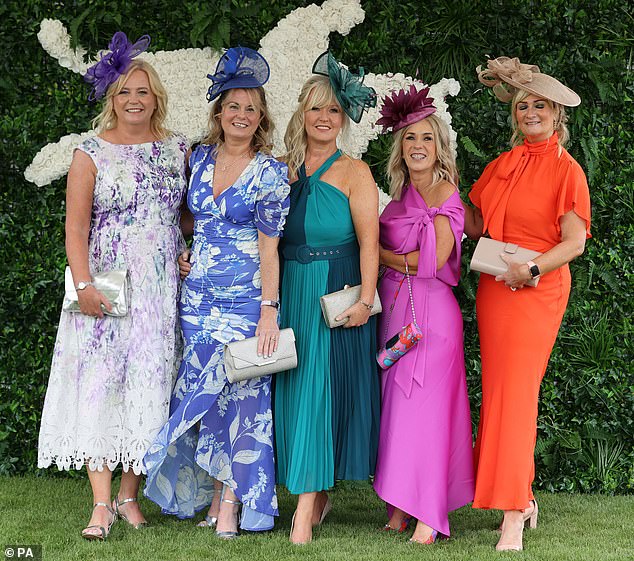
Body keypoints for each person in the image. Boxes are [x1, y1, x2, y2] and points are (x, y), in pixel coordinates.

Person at [37, 32, 188, 540]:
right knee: (102, 387)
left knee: (150, 386)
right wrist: (82, 285)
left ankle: (129, 495)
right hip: (106, 285)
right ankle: (100, 504)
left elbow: (185, 218)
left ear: (156, 98)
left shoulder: (175, 150)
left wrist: (187, 252)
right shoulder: (90, 151)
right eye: (124, 92)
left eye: (142, 91)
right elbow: (75, 228)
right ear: (112, 98)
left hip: (160, 292)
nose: (134, 100)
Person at [143, 46, 290, 539]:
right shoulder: (198, 158)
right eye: (233, 106)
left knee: (244, 397)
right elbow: (189, 220)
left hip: (246, 298)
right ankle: (208, 495)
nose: (241, 115)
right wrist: (187, 252)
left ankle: (232, 504)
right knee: (204, 394)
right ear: (219, 112)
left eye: (251, 107)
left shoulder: (270, 173)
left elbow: (271, 251)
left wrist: (268, 312)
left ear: (261, 116)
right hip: (198, 298)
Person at [463, 57, 591, 552]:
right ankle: (522, 496)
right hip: (497, 287)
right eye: (523, 106)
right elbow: (476, 222)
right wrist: (436, 192)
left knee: (516, 396)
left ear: (557, 115)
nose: (531, 112)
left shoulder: (568, 170)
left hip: (536, 290)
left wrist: (531, 269)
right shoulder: (502, 163)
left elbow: (574, 242)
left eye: (540, 105)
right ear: (514, 114)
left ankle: (514, 512)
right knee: (499, 394)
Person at [274, 51, 380, 545]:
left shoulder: (356, 172)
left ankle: (302, 512)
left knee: (318, 392)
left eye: (333, 110)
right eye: (315, 108)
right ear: (302, 113)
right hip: (287, 290)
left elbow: (370, 242)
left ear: (344, 119)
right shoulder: (280, 169)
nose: (323, 117)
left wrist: (366, 298)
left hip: (332, 293)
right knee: (292, 393)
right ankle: (315, 495)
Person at [372, 85, 475, 544]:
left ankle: (430, 516)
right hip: (396, 314)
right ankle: (399, 505)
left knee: (427, 413)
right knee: (398, 409)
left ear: (439, 148)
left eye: (427, 138)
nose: (417, 146)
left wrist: (376, 254)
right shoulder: (400, 195)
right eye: (410, 138)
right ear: (400, 147)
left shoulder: (445, 193)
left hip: (431, 313)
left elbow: (432, 262)